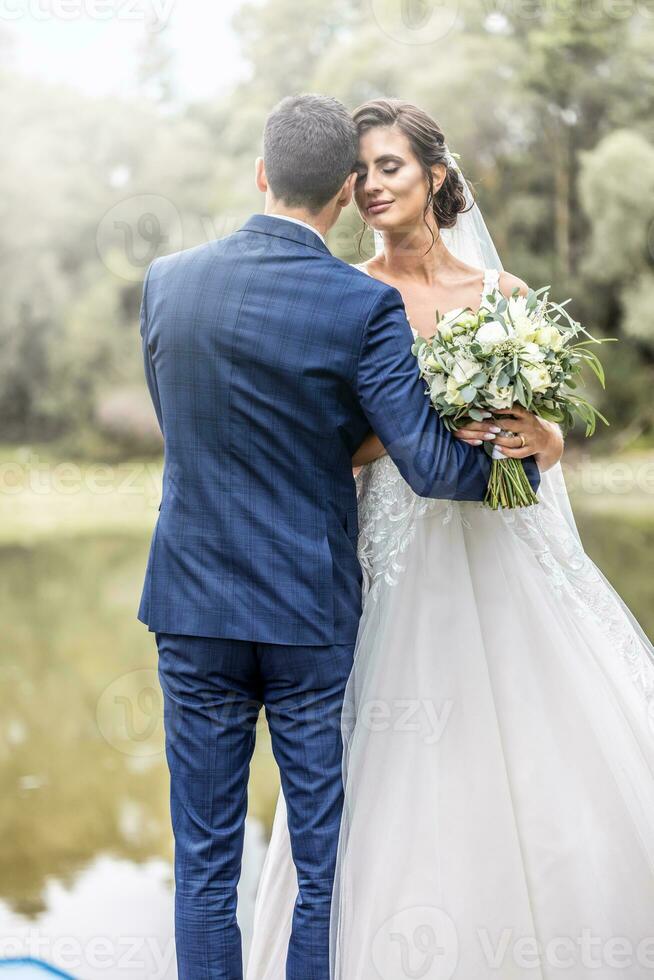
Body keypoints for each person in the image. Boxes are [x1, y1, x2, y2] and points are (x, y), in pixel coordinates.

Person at [136, 94, 551, 980]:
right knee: (322, 864)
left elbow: (184, 424)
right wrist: (524, 465)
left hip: (193, 605)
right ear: (343, 189)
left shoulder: (166, 280)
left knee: (205, 862)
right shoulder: (357, 305)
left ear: (261, 174)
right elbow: (433, 470)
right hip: (306, 610)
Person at [246, 99, 654, 980]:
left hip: (504, 552)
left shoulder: (503, 299)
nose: (370, 186)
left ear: (435, 175)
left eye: (390, 166)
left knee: (540, 733)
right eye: (359, 172)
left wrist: (546, 440)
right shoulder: (343, 293)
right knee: (400, 744)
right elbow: (333, 445)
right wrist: (419, 422)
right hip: (396, 550)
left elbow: (540, 431)